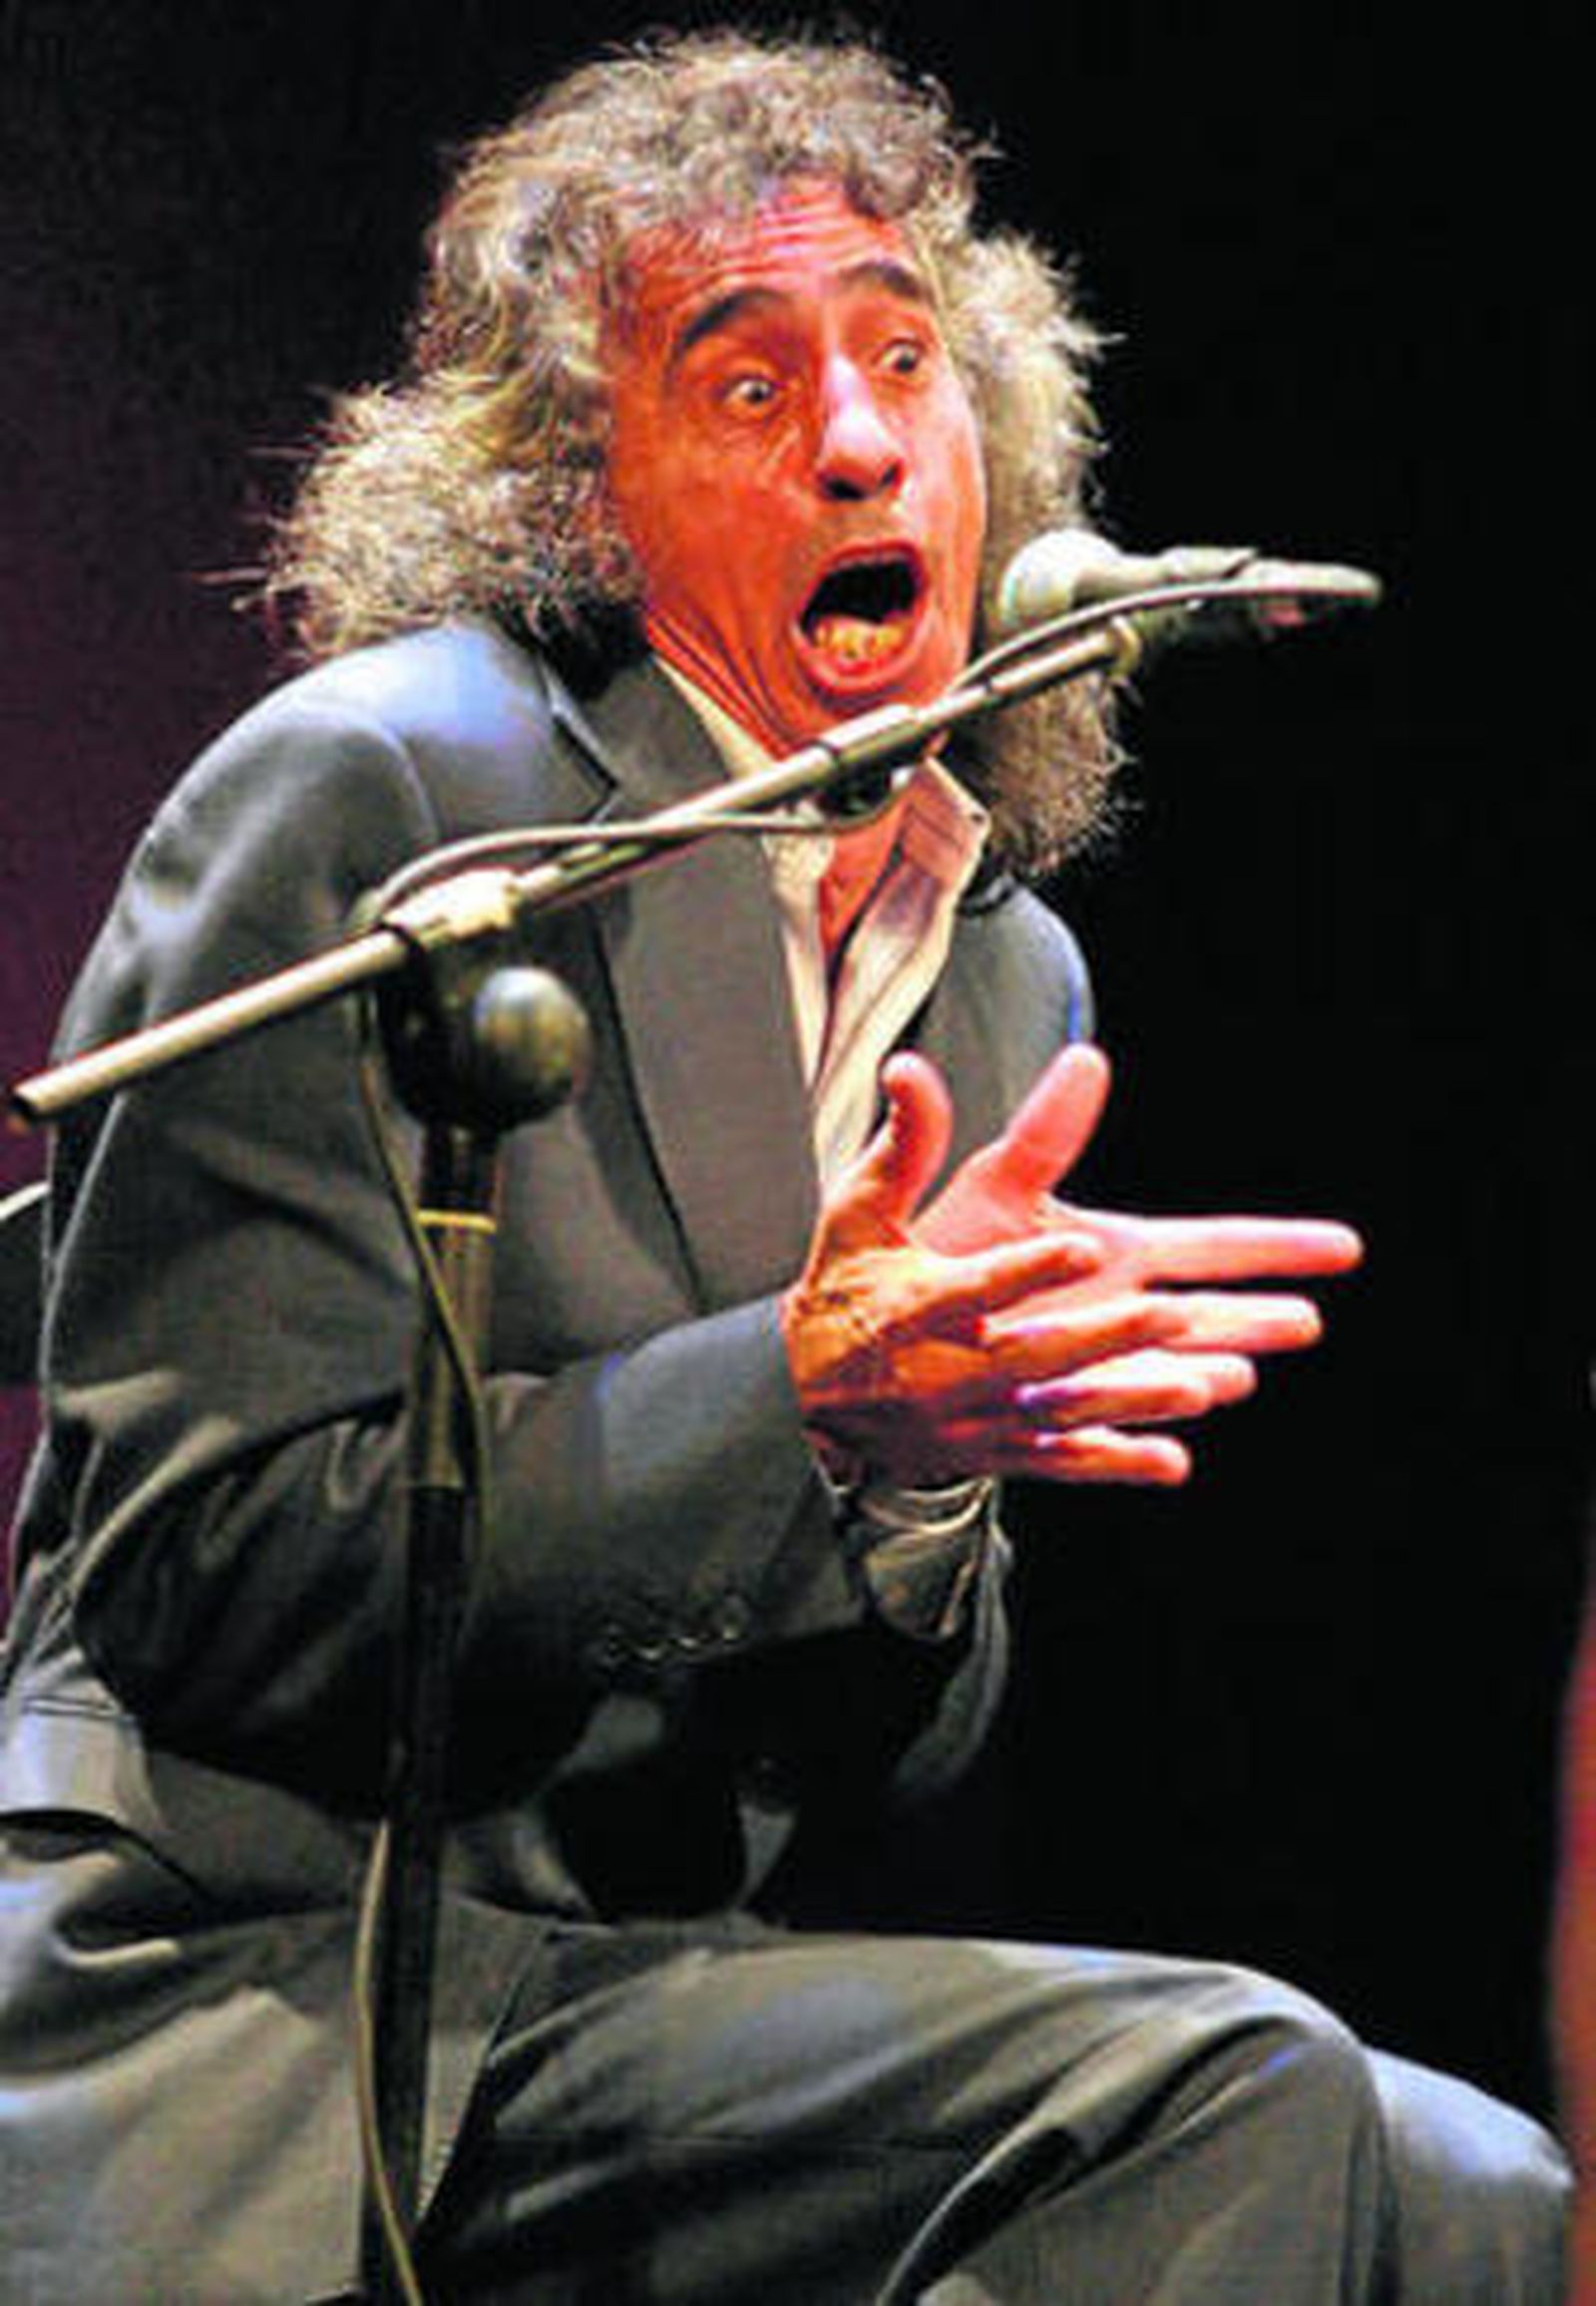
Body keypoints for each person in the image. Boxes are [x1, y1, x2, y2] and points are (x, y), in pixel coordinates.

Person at [0, 28, 1568, 2304]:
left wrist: (914, 1496)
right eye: (745, 387)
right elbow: (198, 1577)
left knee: (1478, 2193)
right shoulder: (398, 797)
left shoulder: (997, 971)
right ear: (575, 496)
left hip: (616, 2001)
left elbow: (882, 1770)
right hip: (243, 1987)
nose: (858, 438)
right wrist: (797, 1402)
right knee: (1242, 2091)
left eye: (906, 362)